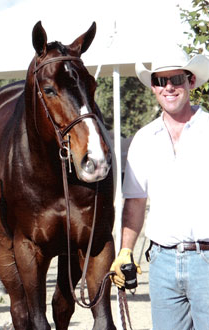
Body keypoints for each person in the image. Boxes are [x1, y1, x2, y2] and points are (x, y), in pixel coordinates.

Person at [110, 48, 209, 329]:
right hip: (162, 263)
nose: (168, 87)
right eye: (160, 80)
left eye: (176, 78)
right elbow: (135, 202)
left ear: (190, 81)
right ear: (153, 87)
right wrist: (125, 251)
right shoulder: (143, 139)